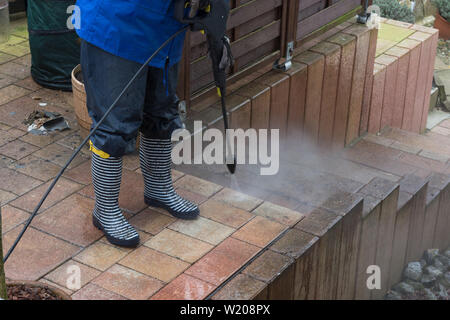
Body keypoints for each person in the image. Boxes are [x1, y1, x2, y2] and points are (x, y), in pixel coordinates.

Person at [75, 0, 210, 247]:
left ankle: (159, 189)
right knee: (113, 125)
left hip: (165, 25)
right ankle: (105, 210)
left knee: (161, 112)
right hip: (116, 23)